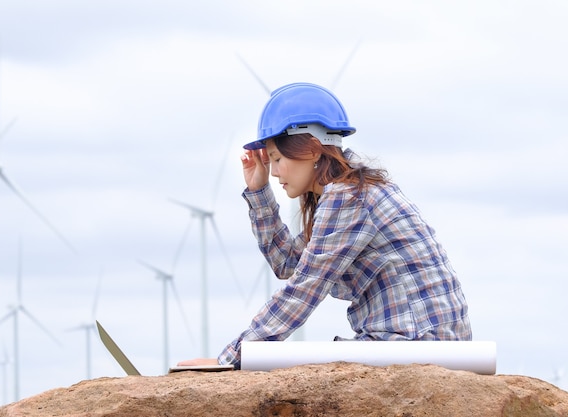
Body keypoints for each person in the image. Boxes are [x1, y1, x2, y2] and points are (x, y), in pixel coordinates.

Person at [178, 82, 471, 370]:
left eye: (278, 159)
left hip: (417, 342)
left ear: (313, 149)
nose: (276, 171)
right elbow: (289, 264)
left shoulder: (350, 197)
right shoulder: (346, 193)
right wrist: (259, 191)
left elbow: (305, 287)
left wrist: (228, 360)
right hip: (411, 341)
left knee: (294, 375)